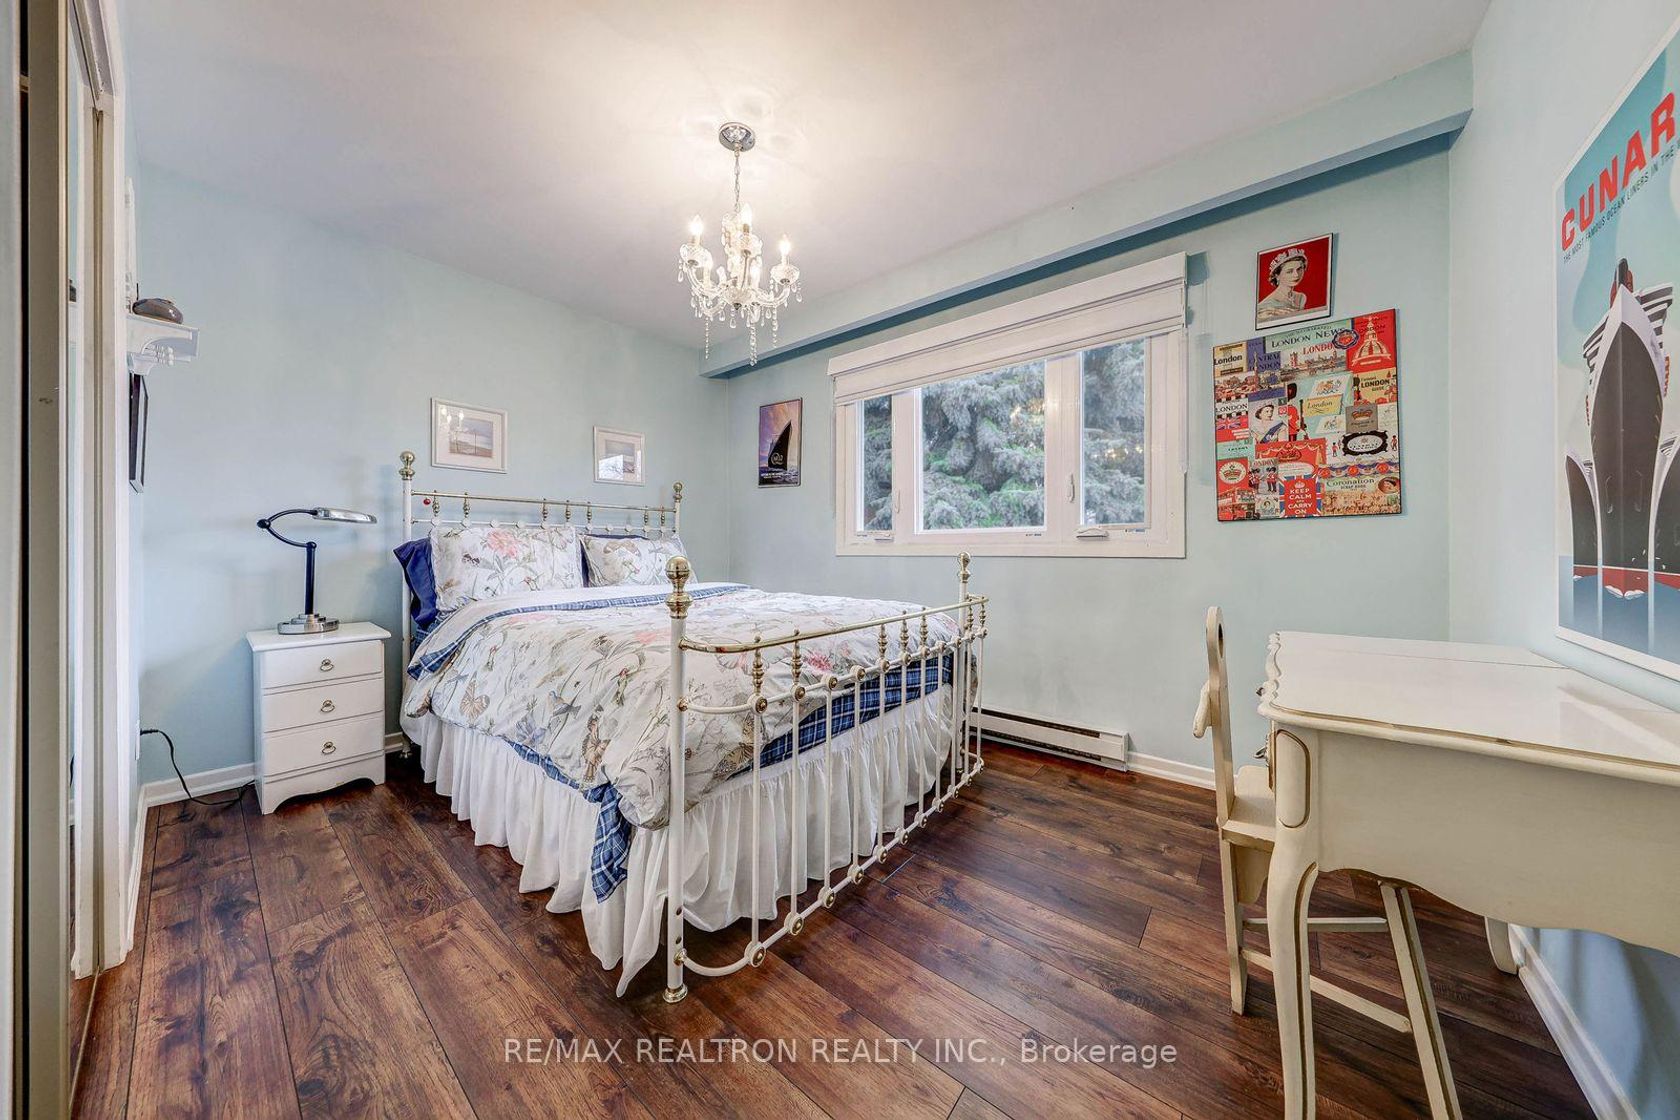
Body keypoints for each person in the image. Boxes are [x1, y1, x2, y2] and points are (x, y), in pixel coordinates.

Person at [1258, 247, 1311, 323]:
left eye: (1299, 269)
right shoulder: (1266, 306)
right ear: (1277, 276)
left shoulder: (1301, 297)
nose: (1296, 275)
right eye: (1289, 271)